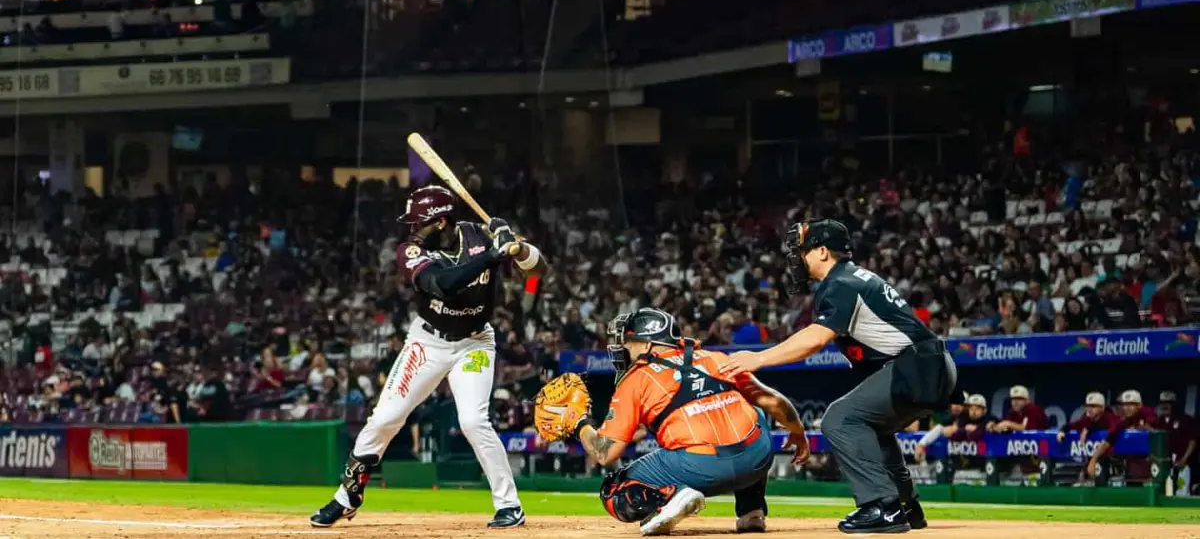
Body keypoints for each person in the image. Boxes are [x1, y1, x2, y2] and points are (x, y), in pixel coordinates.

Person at [310, 185, 547, 529]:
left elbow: (539, 271)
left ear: (441, 223)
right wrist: (492, 256)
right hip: (427, 343)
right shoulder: (410, 252)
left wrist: (516, 246)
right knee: (385, 418)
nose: (411, 230)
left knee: (473, 421)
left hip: (475, 342)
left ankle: (509, 505)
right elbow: (442, 283)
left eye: (419, 224)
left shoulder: (479, 235)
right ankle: (346, 497)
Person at [721, 220, 957, 534]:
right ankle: (907, 506)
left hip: (918, 366)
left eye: (803, 252)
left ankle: (882, 508)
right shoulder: (853, 277)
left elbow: (815, 338)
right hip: (929, 363)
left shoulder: (841, 282)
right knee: (874, 429)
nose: (798, 259)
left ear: (822, 251)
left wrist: (759, 358)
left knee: (840, 419)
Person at [541, 307, 809, 536]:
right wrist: (797, 432)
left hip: (701, 468)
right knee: (754, 413)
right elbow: (774, 402)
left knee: (613, 489)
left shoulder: (637, 378)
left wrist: (579, 423)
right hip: (757, 457)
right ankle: (752, 512)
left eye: (628, 342)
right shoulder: (715, 358)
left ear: (646, 344)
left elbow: (605, 451)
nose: (623, 347)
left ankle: (671, 497)